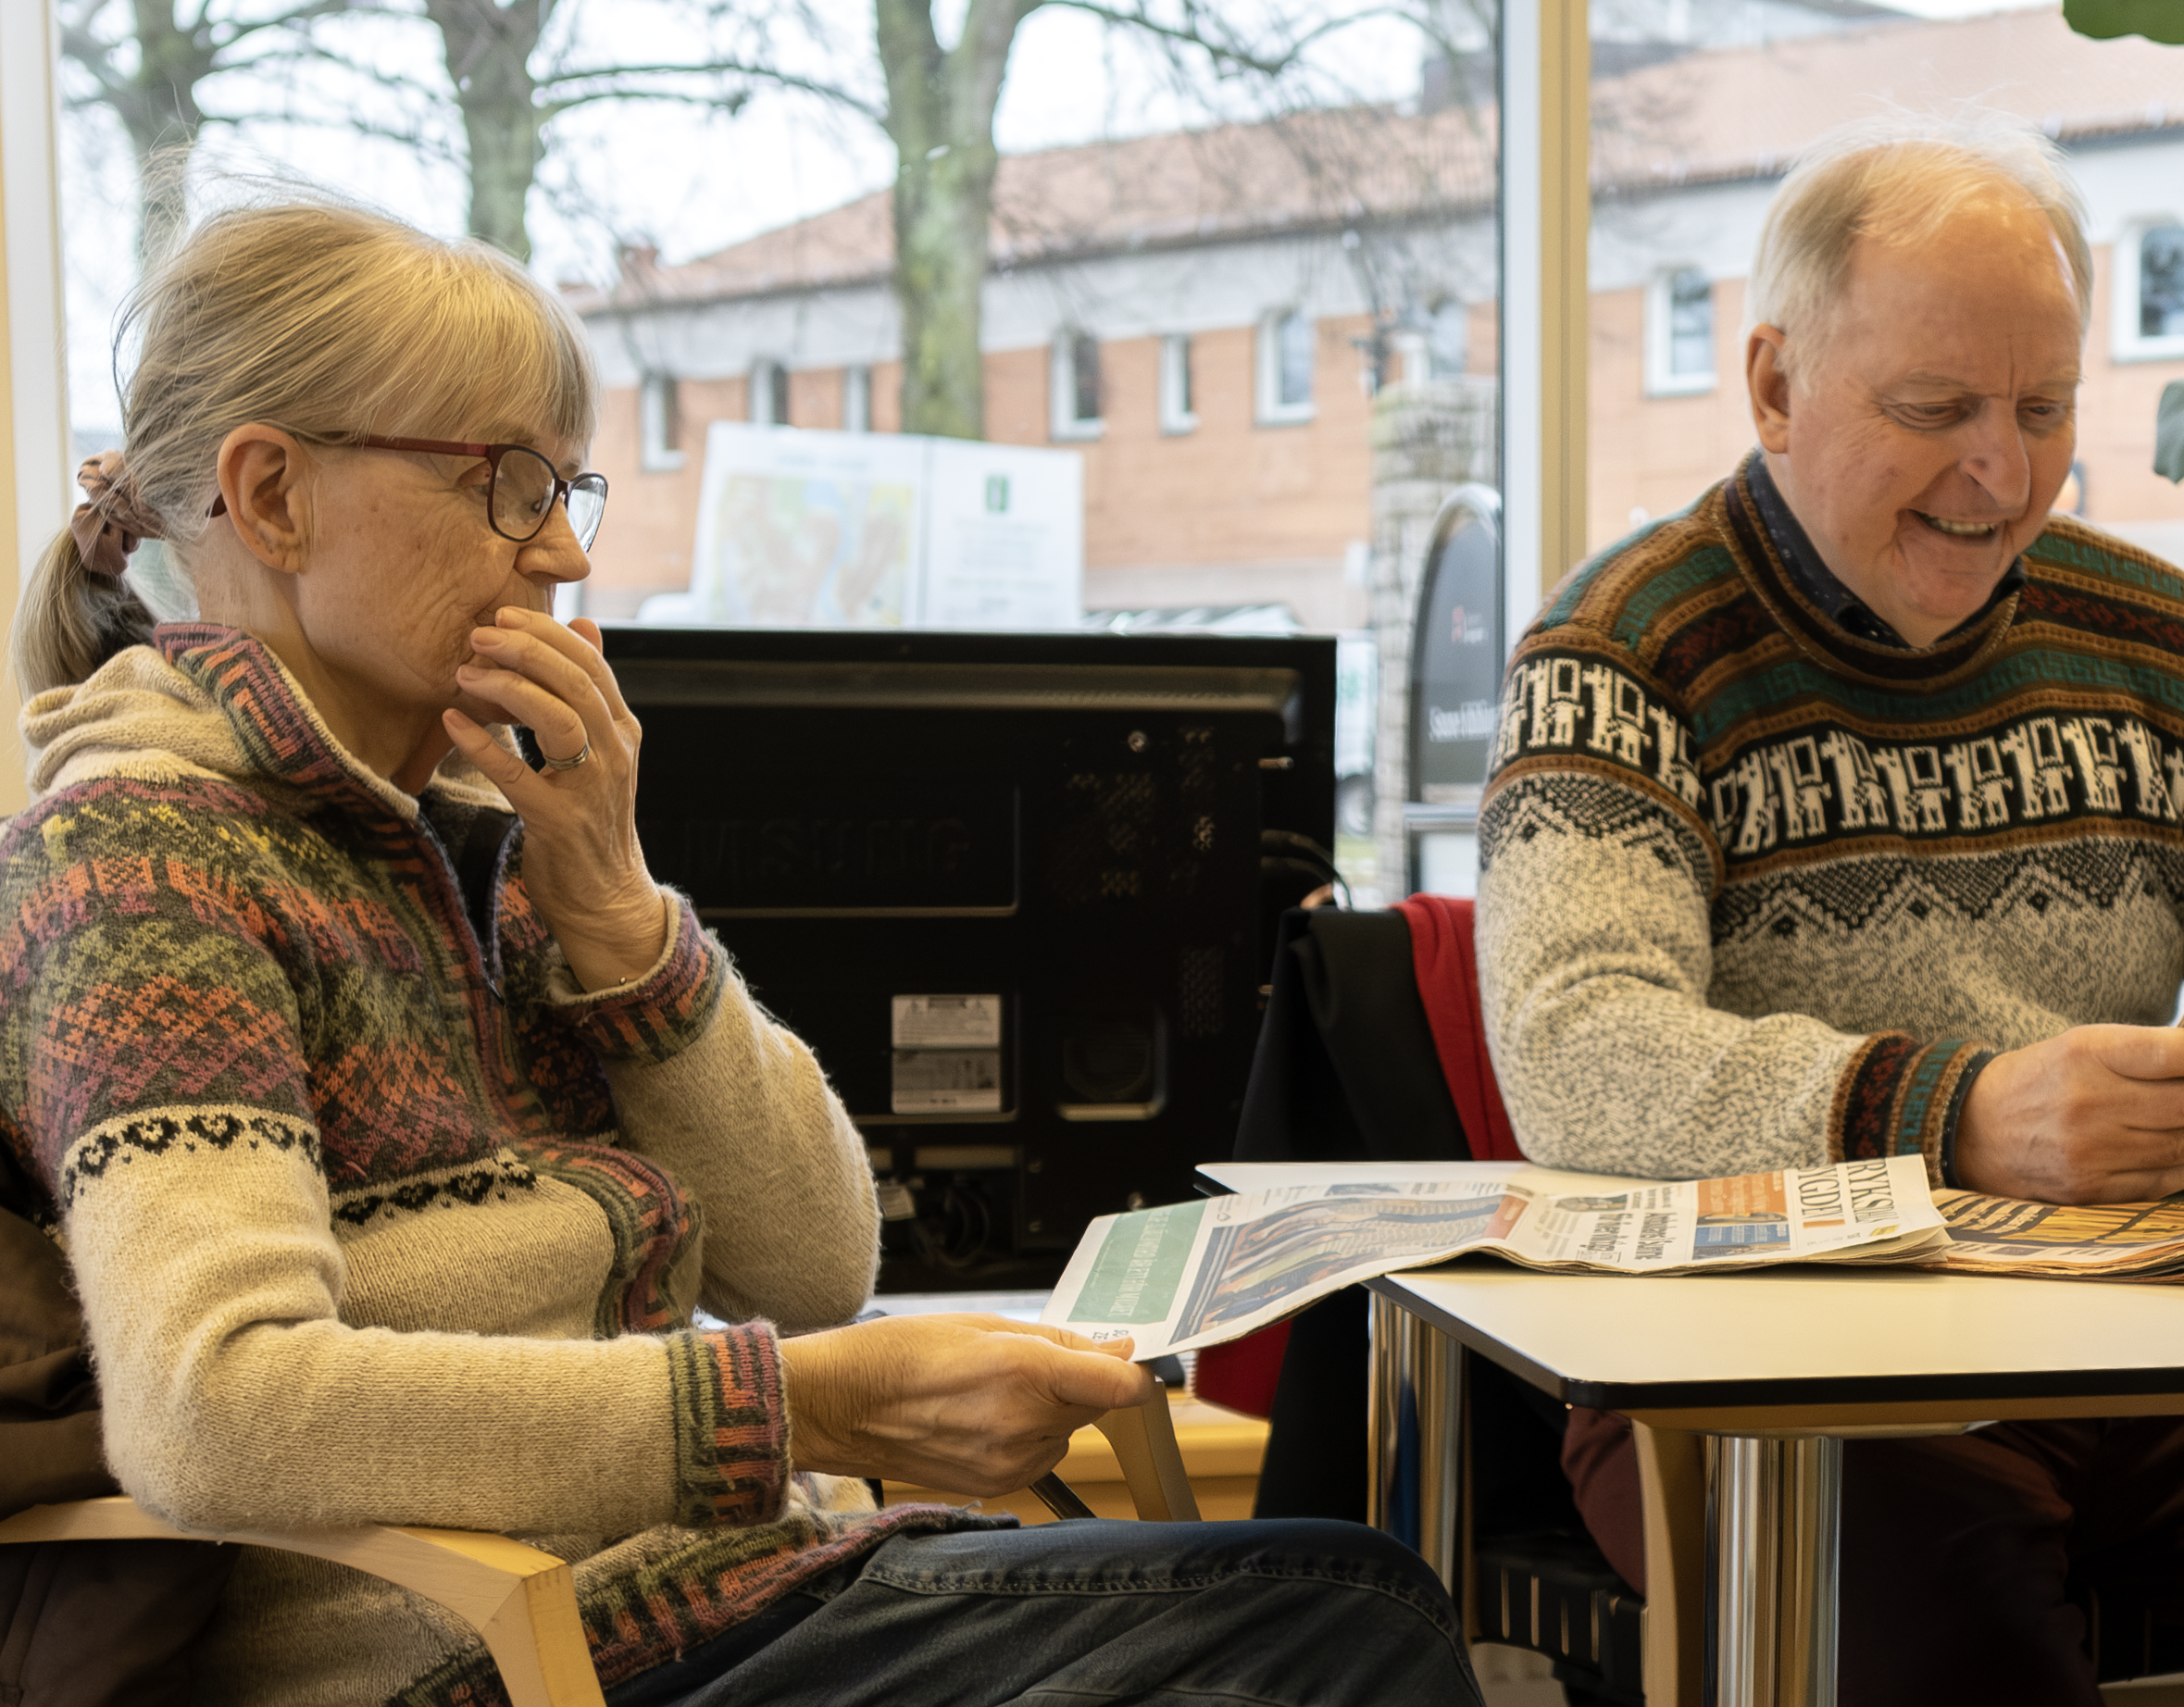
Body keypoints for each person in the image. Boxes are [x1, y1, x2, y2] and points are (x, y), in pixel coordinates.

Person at [0, 202, 1480, 1707]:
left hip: (719, 1598)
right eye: (505, 484)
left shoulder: (494, 835)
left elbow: (819, 1263)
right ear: (271, 496)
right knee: (1339, 1624)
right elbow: (211, 1411)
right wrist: (793, 1412)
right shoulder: (144, 869)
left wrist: (621, 914)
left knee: (1338, 1605)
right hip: (499, 1656)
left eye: (568, 487)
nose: (565, 550)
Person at [1476, 118, 2184, 1705]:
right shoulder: (1622, 650)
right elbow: (1575, 1054)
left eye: (2042, 408)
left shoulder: (2154, 638)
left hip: (2146, 1326)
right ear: (1772, 386)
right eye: (1935, 410)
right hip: (1780, 1355)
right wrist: (1957, 1116)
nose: (2001, 475)